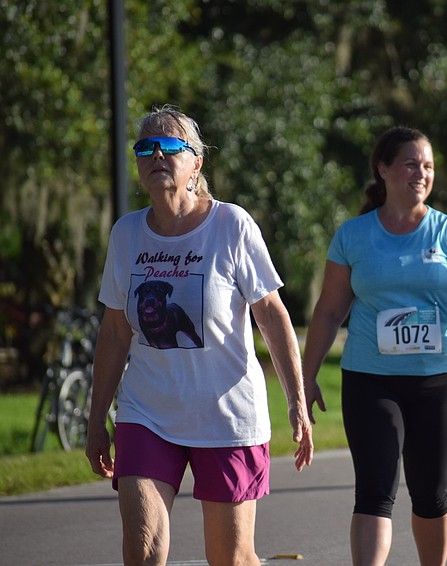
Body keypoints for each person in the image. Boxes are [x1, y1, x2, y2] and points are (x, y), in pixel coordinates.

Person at [85, 105, 314, 566]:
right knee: (144, 549)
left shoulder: (230, 225)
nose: (157, 155)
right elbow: (114, 333)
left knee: (230, 558)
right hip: (147, 412)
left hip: (226, 416)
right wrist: (95, 421)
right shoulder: (127, 234)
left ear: (196, 163)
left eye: (170, 146)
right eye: (145, 147)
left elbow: (271, 315)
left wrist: (296, 400)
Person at [301, 126, 447, 566]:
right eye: (410, 164)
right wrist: (304, 379)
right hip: (370, 379)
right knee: (374, 490)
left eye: (428, 166)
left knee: (430, 493)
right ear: (383, 169)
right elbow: (328, 311)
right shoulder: (353, 235)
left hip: (436, 380)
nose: (421, 174)